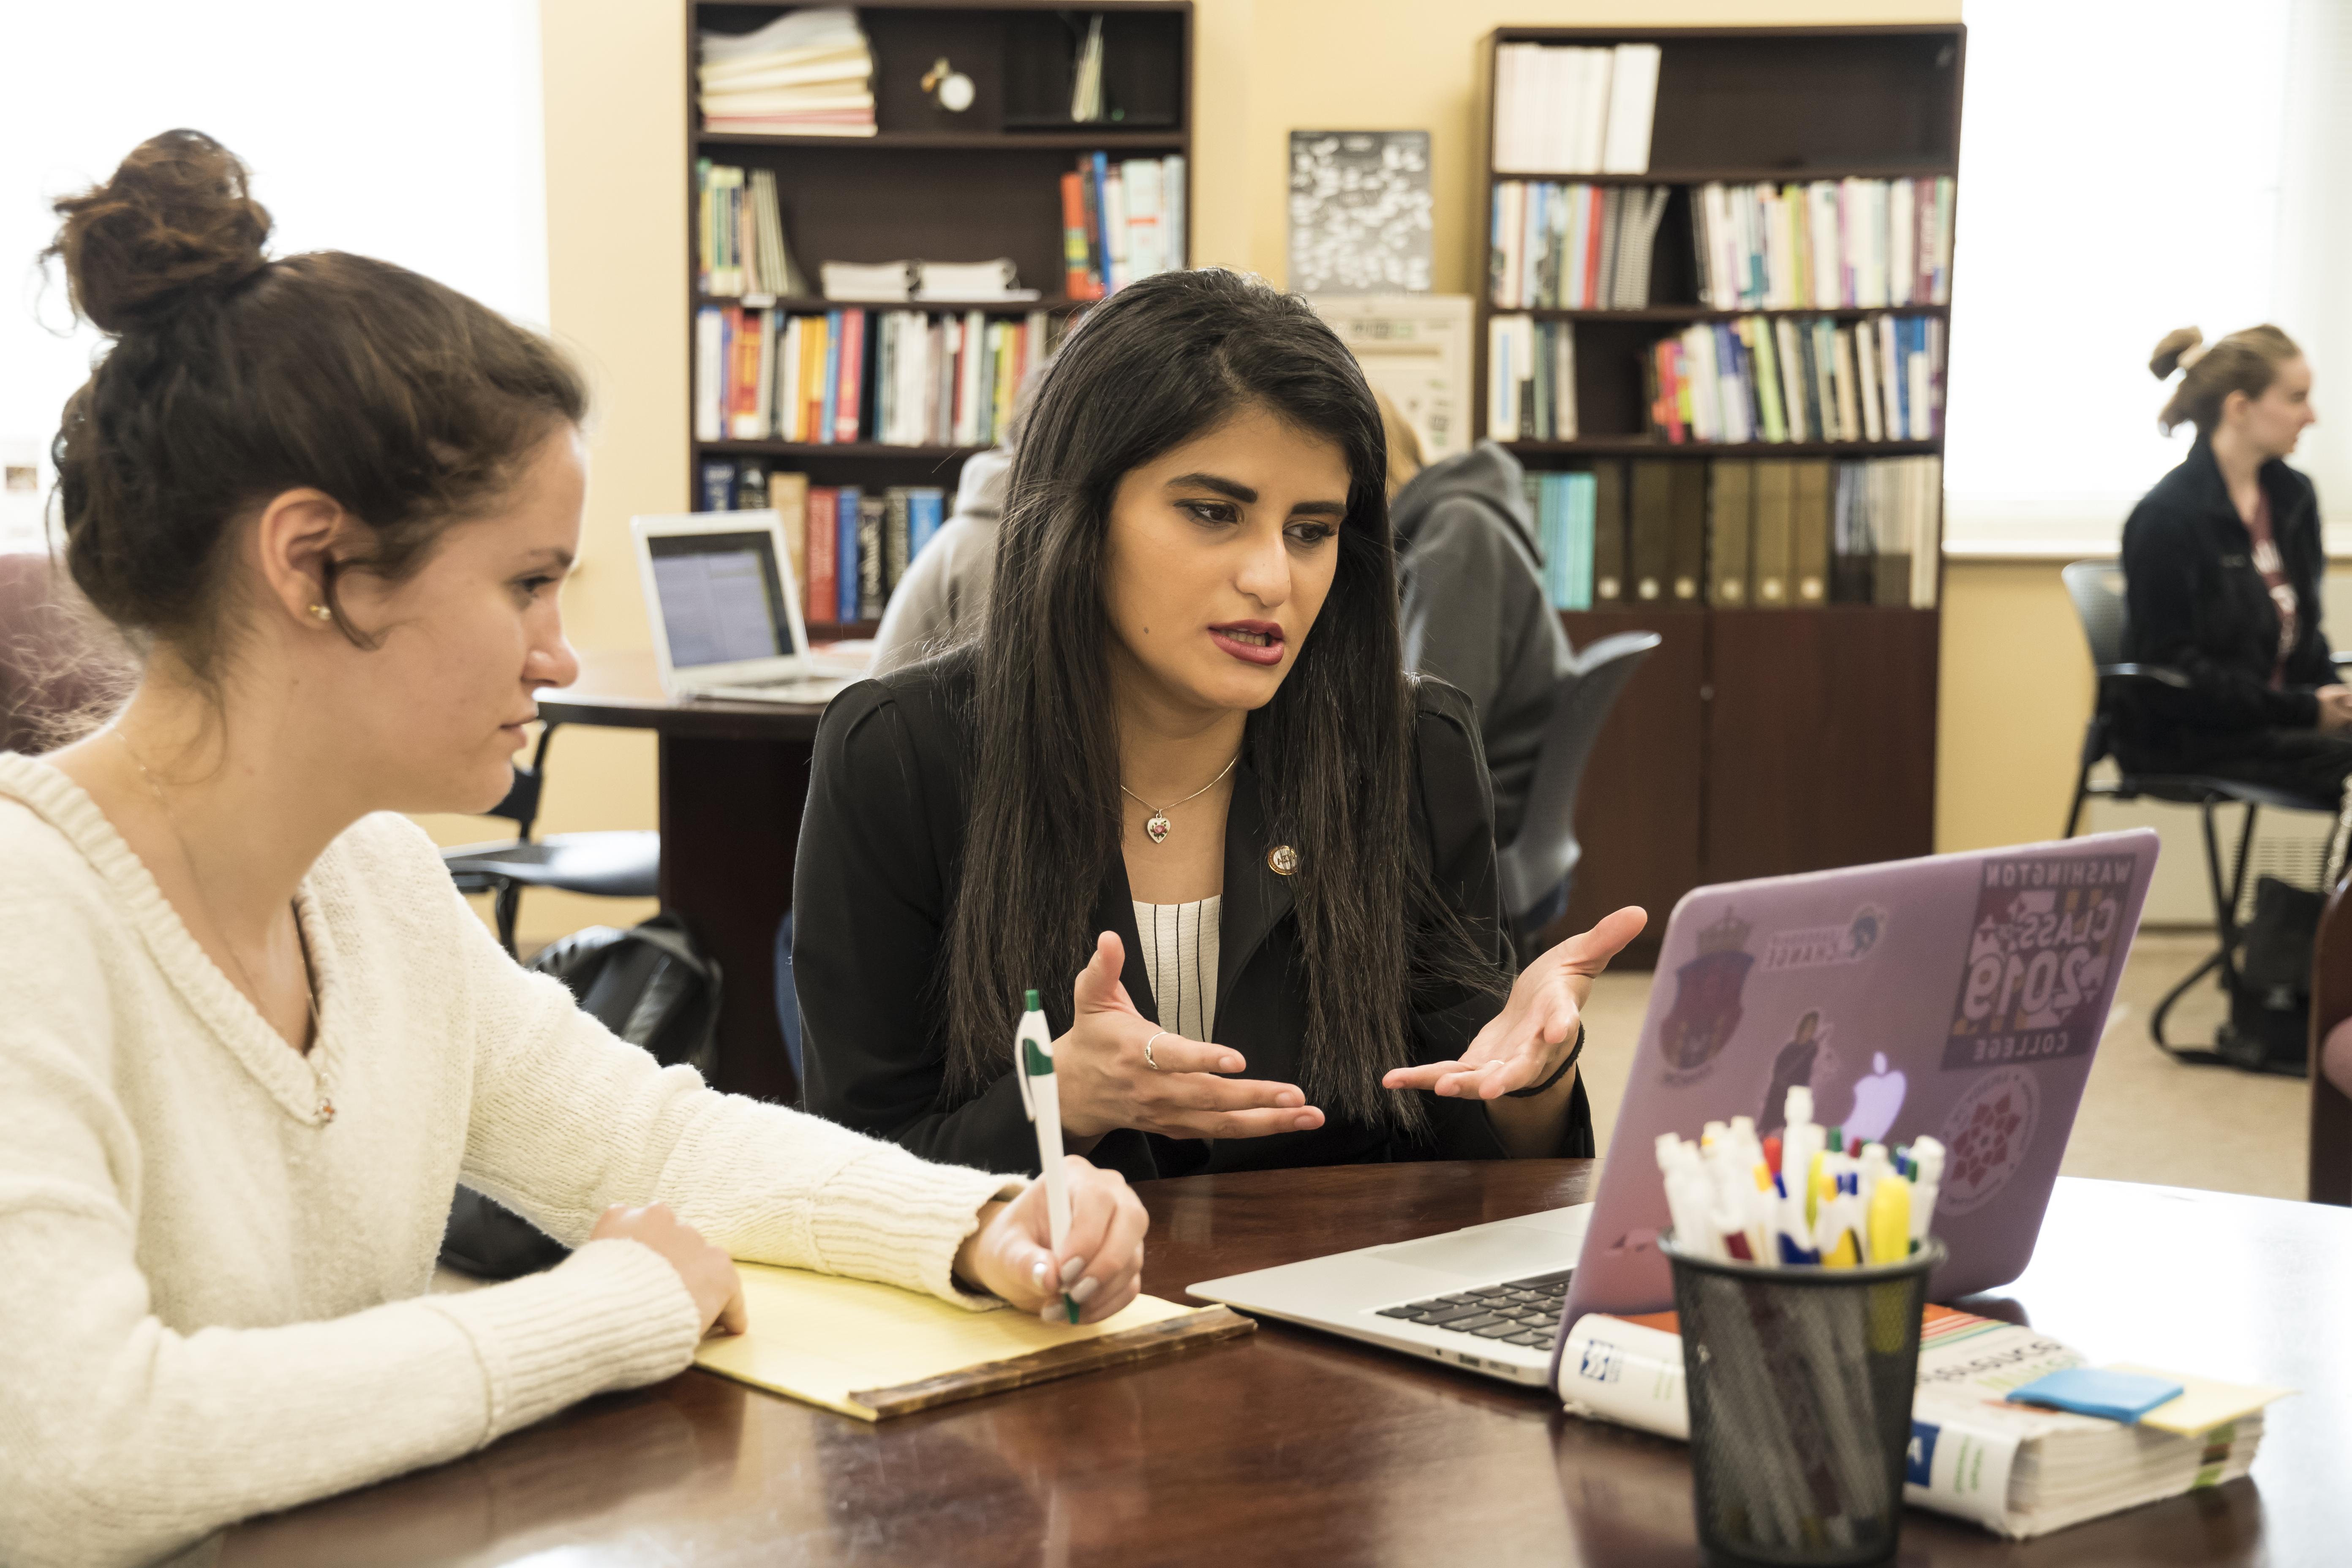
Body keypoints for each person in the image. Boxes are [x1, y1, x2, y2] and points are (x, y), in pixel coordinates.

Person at [0, 131, 1145, 1566]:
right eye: (528, 583)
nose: (558, 652)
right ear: (311, 566)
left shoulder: (372, 893)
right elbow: (73, 1460)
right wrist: (610, 1304)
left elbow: (653, 1135)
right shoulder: (29, 916)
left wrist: (977, 1217)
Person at [794, 268, 1645, 1182]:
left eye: (1311, 529)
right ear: (1080, 510)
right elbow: (854, 1176)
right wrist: (1056, 1102)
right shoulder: (900, 756)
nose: (1273, 579)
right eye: (1213, 512)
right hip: (1035, 1312)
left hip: (1330, 1305)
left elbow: (1477, 1169)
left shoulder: (1409, 750)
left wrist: (1533, 1076)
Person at [2117, 325, 2352, 858]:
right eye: (2296, 398)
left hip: (2275, 722)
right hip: (2193, 735)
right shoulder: (2165, 518)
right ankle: (2331, 940)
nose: (2311, 416)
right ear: (2240, 407)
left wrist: (2334, 697)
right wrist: (2301, 709)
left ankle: (2326, 936)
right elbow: (2172, 673)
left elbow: (2305, 634)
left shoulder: (2292, 498)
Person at [1380, 392, 1575, 855]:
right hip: (1476, 812)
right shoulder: (1454, 520)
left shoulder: (1457, 535)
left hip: (1465, 832)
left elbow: (1430, 736)